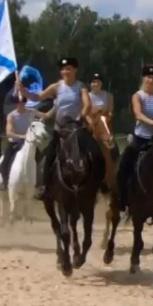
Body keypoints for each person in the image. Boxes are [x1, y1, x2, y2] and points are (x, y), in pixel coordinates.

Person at [17, 57, 101, 200]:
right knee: (48, 155)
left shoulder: (81, 87)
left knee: (95, 152)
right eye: (63, 69)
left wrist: (81, 117)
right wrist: (23, 91)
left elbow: (87, 104)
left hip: (77, 128)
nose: (65, 71)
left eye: (68, 68)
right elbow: (38, 97)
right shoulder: (56, 87)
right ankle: (43, 186)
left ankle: (99, 184)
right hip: (60, 129)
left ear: (75, 70)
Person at [116, 64, 153, 211]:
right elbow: (138, 114)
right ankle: (122, 202)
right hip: (141, 138)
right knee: (124, 166)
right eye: (148, 77)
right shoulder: (138, 96)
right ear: (143, 78)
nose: (150, 80)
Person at [0, 94, 43, 190]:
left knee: (40, 159)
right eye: (19, 102)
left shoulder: (31, 112)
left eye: (23, 102)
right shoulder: (11, 116)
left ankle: (39, 183)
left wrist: (55, 107)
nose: (21, 104)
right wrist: (21, 136)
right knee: (5, 162)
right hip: (15, 142)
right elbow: (9, 133)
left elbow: (45, 116)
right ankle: (6, 182)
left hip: (29, 143)